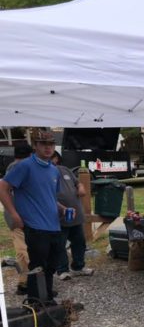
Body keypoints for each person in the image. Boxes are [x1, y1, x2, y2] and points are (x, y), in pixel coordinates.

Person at [0, 130, 66, 305]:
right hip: (35, 226)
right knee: (38, 266)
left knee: (52, 266)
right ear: (35, 146)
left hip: (53, 225)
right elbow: (3, 187)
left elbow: (50, 197)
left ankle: (48, 298)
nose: (48, 148)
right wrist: (14, 214)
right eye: (43, 144)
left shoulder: (53, 170)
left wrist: (62, 208)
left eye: (51, 144)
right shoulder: (25, 166)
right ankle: (35, 302)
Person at [52, 151, 93, 280]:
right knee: (60, 244)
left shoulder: (65, 170)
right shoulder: (44, 174)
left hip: (75, 214)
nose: (52, 160)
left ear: (57, 159)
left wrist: (81, 187)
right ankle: (62, 270)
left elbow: (77, 182)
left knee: (79, 242)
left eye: (53, 157)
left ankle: (78, 267)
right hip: (58, 216)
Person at [2, 143, 33, 295]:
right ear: (30, 155)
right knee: (23, 250)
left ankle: (26, 281)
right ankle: (25, 282)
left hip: (17, 215)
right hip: (19, 216)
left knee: (24, 249)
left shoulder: (12, 167)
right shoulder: (20, 168)